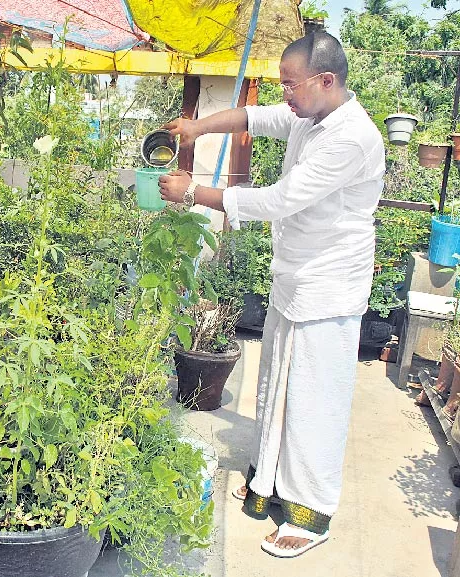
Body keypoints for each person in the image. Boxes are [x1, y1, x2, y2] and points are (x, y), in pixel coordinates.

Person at [158, 31, 385, 558]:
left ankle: (311, 514)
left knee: (315, 398)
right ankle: (273, 485)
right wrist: (196, 127)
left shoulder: (350, 136)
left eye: (290, 84)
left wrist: (194, 191)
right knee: (278, 382)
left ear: (326, 81)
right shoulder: (311, 114)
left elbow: (280, 200)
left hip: (329, 286)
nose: (284, 93)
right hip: (296, 277)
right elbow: (251, 118)